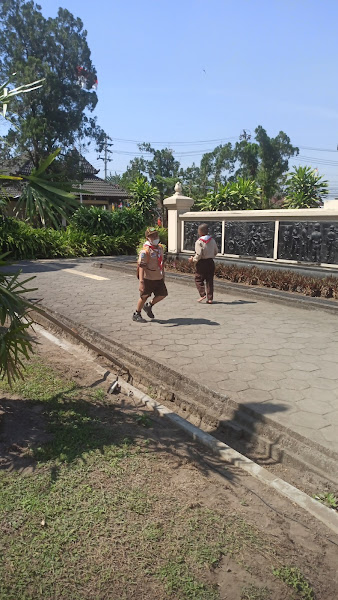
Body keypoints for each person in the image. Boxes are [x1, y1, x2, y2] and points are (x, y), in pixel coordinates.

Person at [133, 227, 168, 322]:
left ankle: (149, 305)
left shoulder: (160, 248)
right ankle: (137, 313)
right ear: (148, 238)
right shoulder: (145, 251)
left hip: (158, 277)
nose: (155, 237)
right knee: (144, 296)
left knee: (163, 294)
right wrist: (141, 282)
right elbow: (141, 267)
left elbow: (161, 263)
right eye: (152, 236)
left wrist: (163, 275)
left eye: (156, 235)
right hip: (148, 278)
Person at [189, 223, 218, 304]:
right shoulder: (212, 240)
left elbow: (198, 254)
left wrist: (193, 259)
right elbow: (216, 251)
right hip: (210, 262)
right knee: (209, 280)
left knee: (198, 279)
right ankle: (210, 298)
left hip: (202, 263)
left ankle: (202, 294)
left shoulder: (199, 242)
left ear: (200, 231)